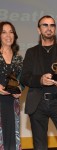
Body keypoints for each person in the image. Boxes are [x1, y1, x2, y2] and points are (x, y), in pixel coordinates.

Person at [20, 15, 57, 150]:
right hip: (37, 104)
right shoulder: (31, 52)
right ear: (38, 30)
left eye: (52, 25)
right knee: (40, 146)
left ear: (55, 29)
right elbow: (24, 77)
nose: (49, 28)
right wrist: (40, 80)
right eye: (45, 25)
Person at [0, 21, 23, 150]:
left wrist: (20, 88)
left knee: (13, 138)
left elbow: (23, 80)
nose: (8, 35)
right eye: (4, 32)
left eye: (11, 32)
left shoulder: (18, 59)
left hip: (13, 103)